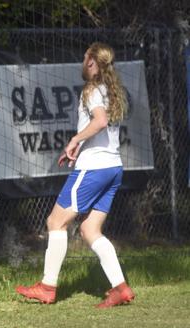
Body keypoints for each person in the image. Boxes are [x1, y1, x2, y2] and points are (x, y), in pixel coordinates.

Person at [16, 42, 135, 308]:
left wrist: (74, 140)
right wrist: (78, 146)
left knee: (55, 222)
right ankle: (120, 288)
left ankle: (47, 287)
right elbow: (101, 127)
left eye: (84, 58)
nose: (82, 62)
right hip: (113, 167)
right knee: (89, 229)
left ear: (92, 61)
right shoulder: (109, 90)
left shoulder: (92, 89)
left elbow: (100, 121)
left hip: (93, 168)